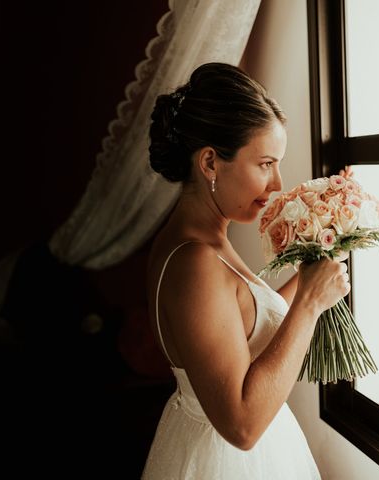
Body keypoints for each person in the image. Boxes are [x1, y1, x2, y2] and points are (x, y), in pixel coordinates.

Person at [141, 62, 350, 479]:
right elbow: (241, 424)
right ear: (210, 163)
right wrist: (309, 305)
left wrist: (317, 264)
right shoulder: (194, 261)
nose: (277, 184)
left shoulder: (206, 240)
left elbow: (245, 326)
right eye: (265, 163)